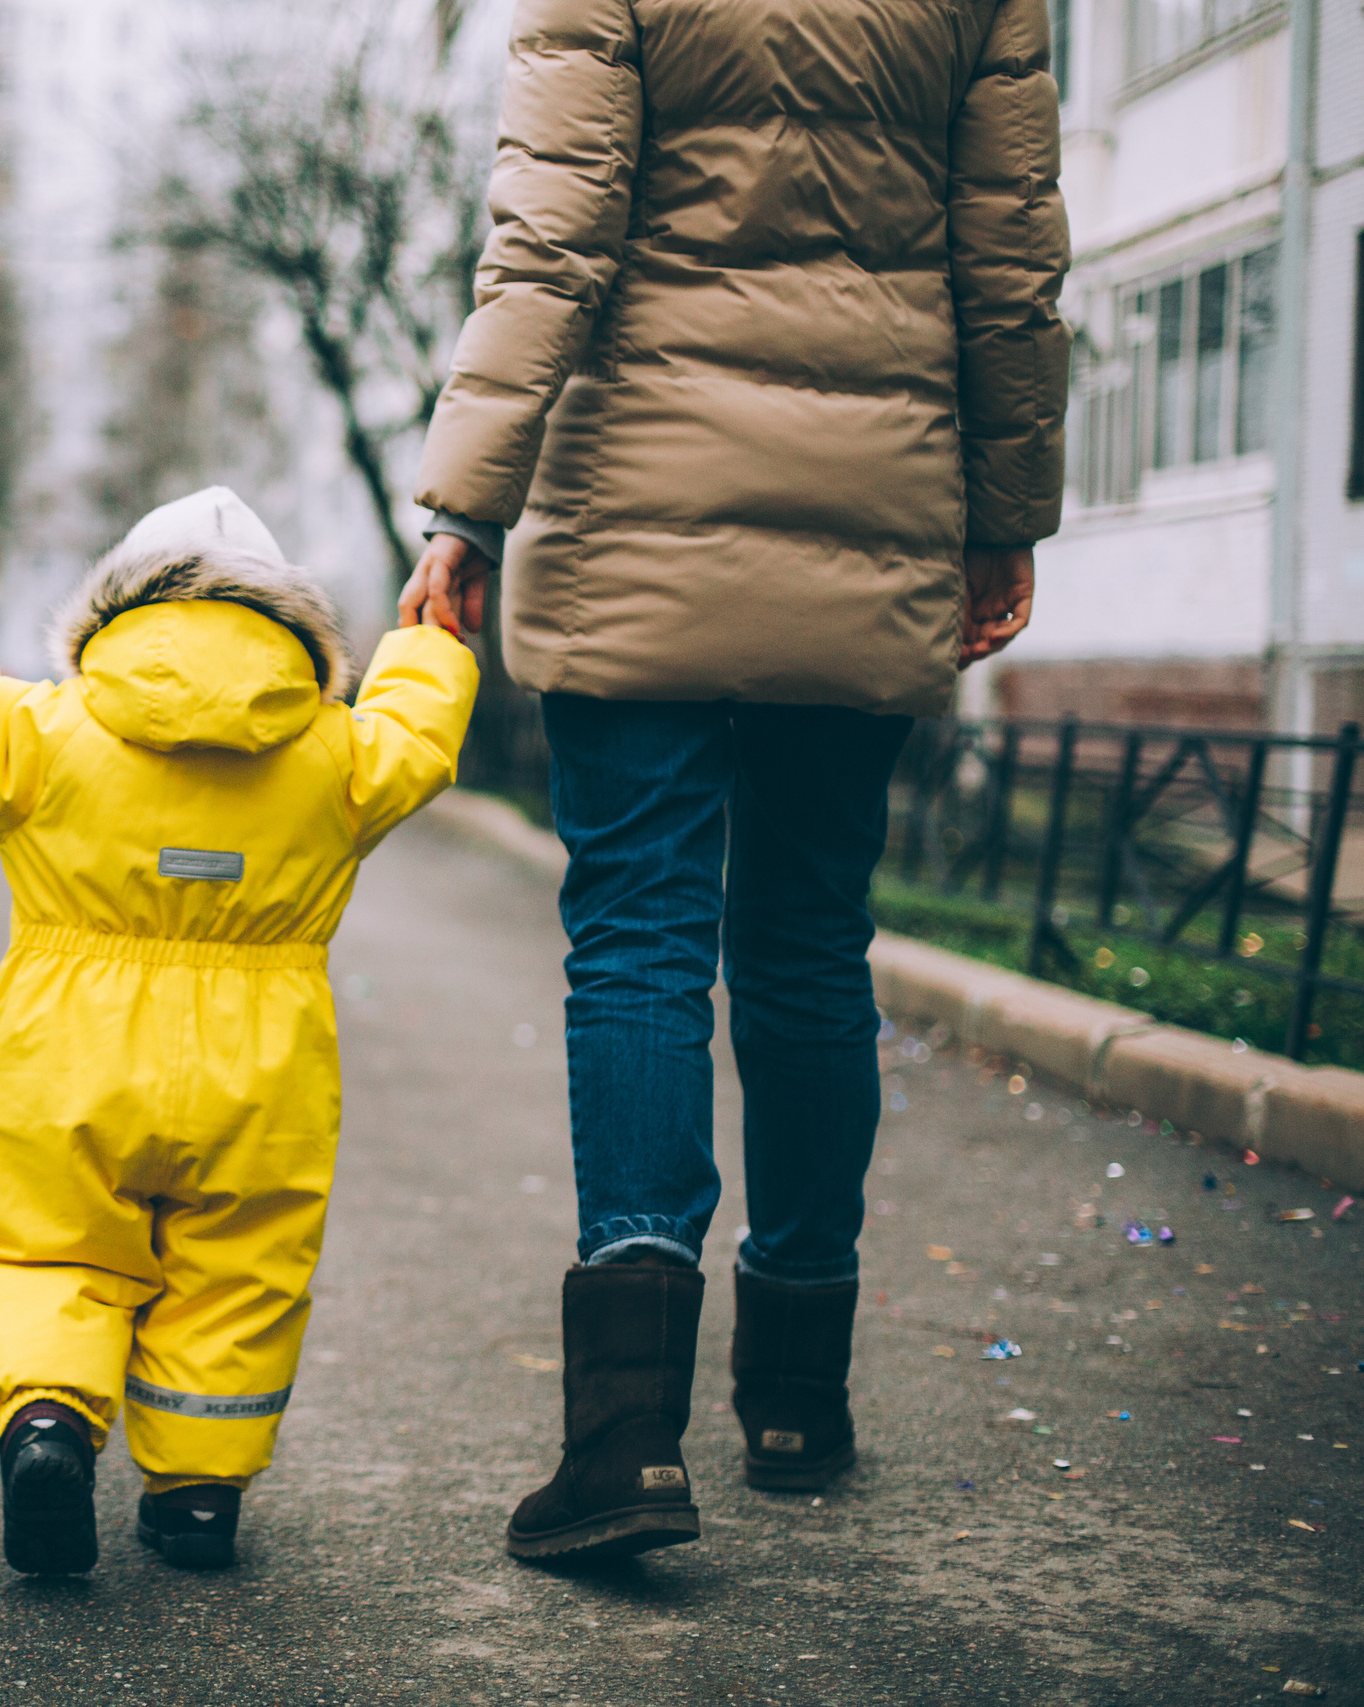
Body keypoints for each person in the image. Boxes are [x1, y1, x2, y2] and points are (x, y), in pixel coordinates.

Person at [402, 0, 1070, 1561]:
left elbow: (551, 232)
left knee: (637, 934)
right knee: (806, 940)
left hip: (637, 496)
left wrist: (467, 505)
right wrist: (1005, 510)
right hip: (876, 493)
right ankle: (794, 1393)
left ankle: (627, 1436)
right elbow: (1013, 257)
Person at [0, 489, 478, 1571]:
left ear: (114, 611)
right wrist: (431, 645)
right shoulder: (332, 757)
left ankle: (48, 1422)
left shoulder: (49, 733)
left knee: (39, 1250)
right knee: (239, 1269)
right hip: (265, 1065)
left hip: (65, 1050)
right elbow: (414, 739)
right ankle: (197, 1492)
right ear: (289, 625)